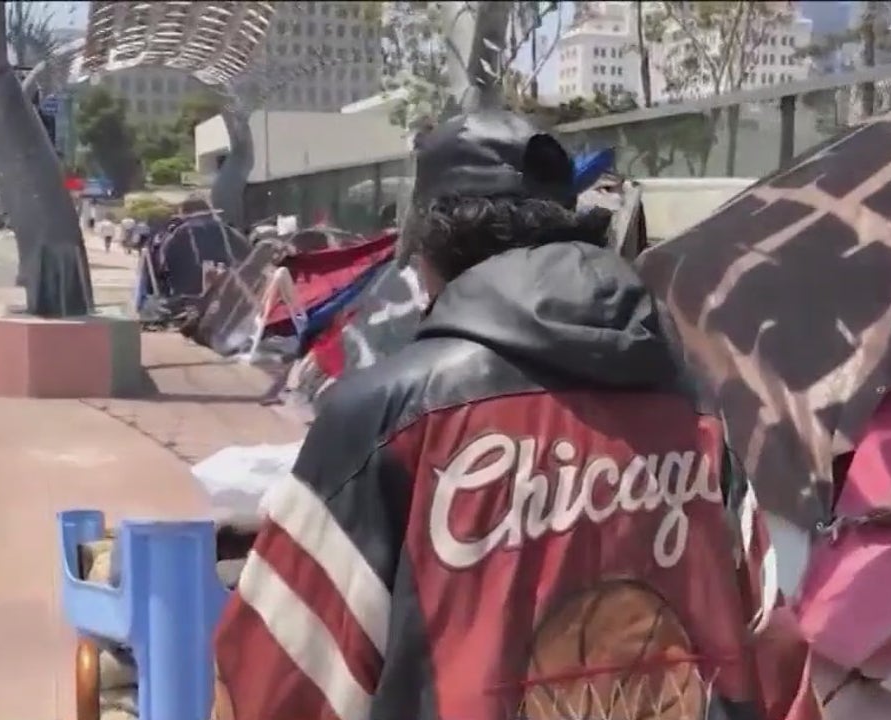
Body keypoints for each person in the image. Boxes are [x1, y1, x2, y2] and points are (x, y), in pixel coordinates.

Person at [213, 111, 821, 720]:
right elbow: (772, 652)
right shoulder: (691, 405)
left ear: (427, 254)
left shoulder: (387, 417)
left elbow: (277, 677)